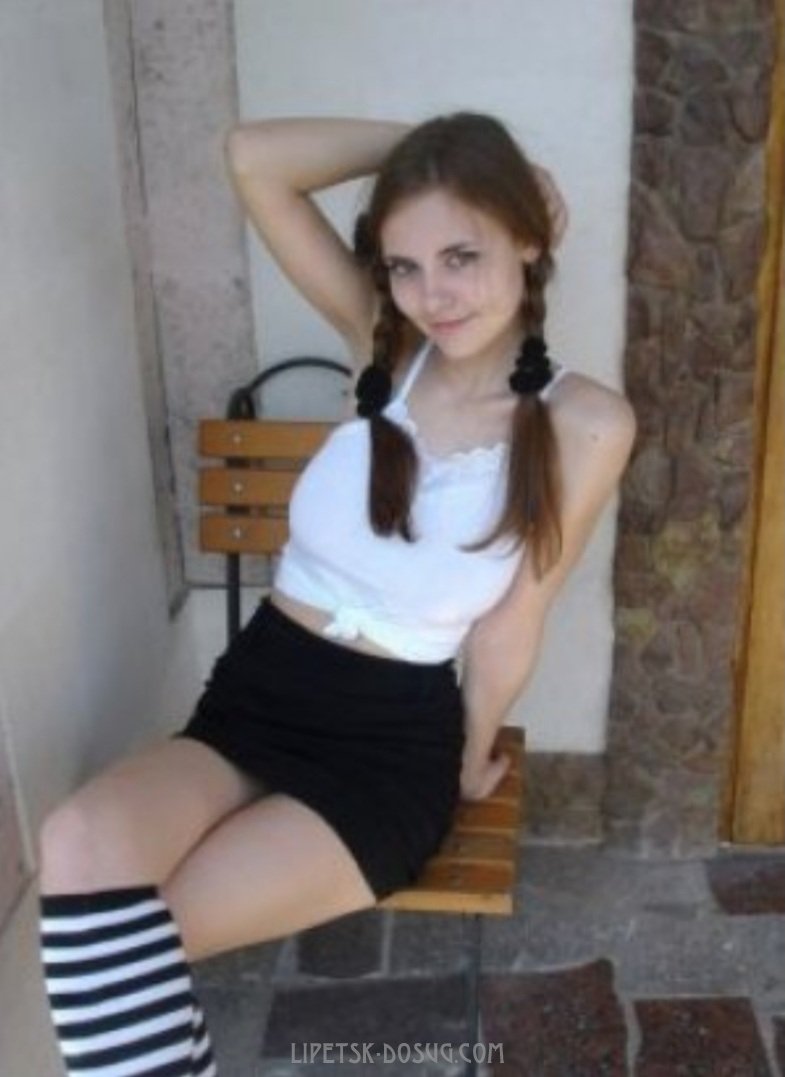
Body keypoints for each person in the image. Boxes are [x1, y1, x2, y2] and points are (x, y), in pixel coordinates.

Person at [37, 112, 637, 1076]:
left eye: (461, 255)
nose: (433, 294)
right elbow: (253, 159)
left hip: (385, 750)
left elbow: (515, 616)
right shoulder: (383, 347)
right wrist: (433, 145)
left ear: (528, 239)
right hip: (253, 700)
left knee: (127, 940)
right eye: (404, 266)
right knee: (76, 844)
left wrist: (468, 757)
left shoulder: (585, 420)